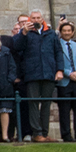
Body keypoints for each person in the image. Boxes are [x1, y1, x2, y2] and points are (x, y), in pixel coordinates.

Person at [13, 11, 59, 142]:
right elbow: (17, 47)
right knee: (33, 103)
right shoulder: (25, 33)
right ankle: (36, 132)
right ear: (29, 19)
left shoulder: (51, 33)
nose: (36, 20)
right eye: (33, 18)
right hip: (32, 73)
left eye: (38, 18)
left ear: (42, 19)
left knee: (46, 104)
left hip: (48, 73)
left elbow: (58, 52)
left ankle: (45, 133)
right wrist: (24, 33)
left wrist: (59, 70)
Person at [54, 21, 76, 142]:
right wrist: (69, 73)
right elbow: (57, 62)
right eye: (64, 31)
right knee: (64, 111)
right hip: (65, 81)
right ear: (61, 32)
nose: (67, 33)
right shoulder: (57, 45)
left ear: (73, 32)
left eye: (69, 30)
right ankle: (66, 135)